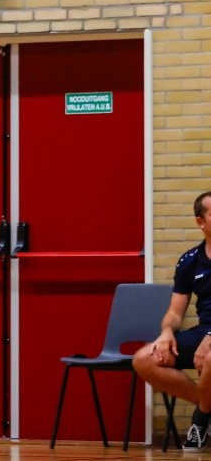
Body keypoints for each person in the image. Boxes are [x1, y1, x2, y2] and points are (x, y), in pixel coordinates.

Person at [133, 191, 211, 452]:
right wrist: (166, 330)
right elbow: (176, 312)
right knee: (145, 358)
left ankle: (200, 420)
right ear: (200, 222)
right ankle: (207, 406)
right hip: (204, 332)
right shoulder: (190, 260)